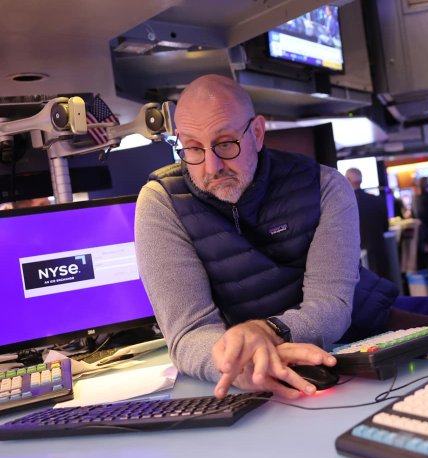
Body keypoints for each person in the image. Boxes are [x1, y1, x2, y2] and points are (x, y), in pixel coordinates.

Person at [135, 75, 401, 400]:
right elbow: (189, 332)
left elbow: (331, 305)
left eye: (225, 143)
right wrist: (238, 364)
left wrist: (268, 332)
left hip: (359, 334)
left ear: (257, 133)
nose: (211, 166)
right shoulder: (161, 202)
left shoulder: (324, 186)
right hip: (257, 367)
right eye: (192, 148)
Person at [344, 167, 391, 280]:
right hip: (380, 252)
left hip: (359, 258)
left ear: (347, 180)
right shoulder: (377, 200)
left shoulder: (344, 205)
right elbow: (385, 227)